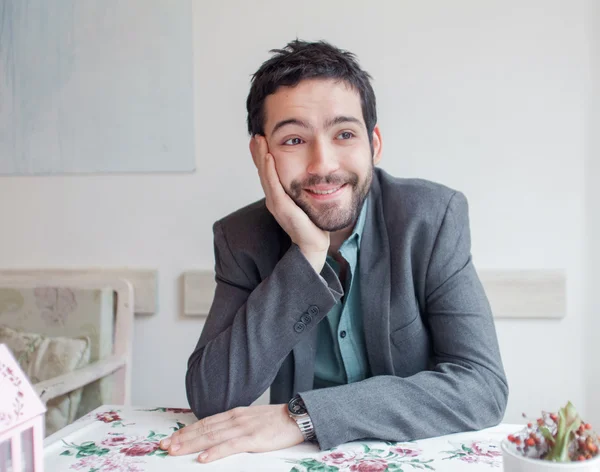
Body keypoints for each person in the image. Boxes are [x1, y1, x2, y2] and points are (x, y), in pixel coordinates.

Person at [159, 39, 508, 464]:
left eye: (344, 134)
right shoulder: (242, 237)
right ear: (260, 153)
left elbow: (482, 386)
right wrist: (306, 254)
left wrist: (301, 417)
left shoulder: (430, 219)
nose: (322, 164)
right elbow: (212, 395)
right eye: (293, 140)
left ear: (374, 144)